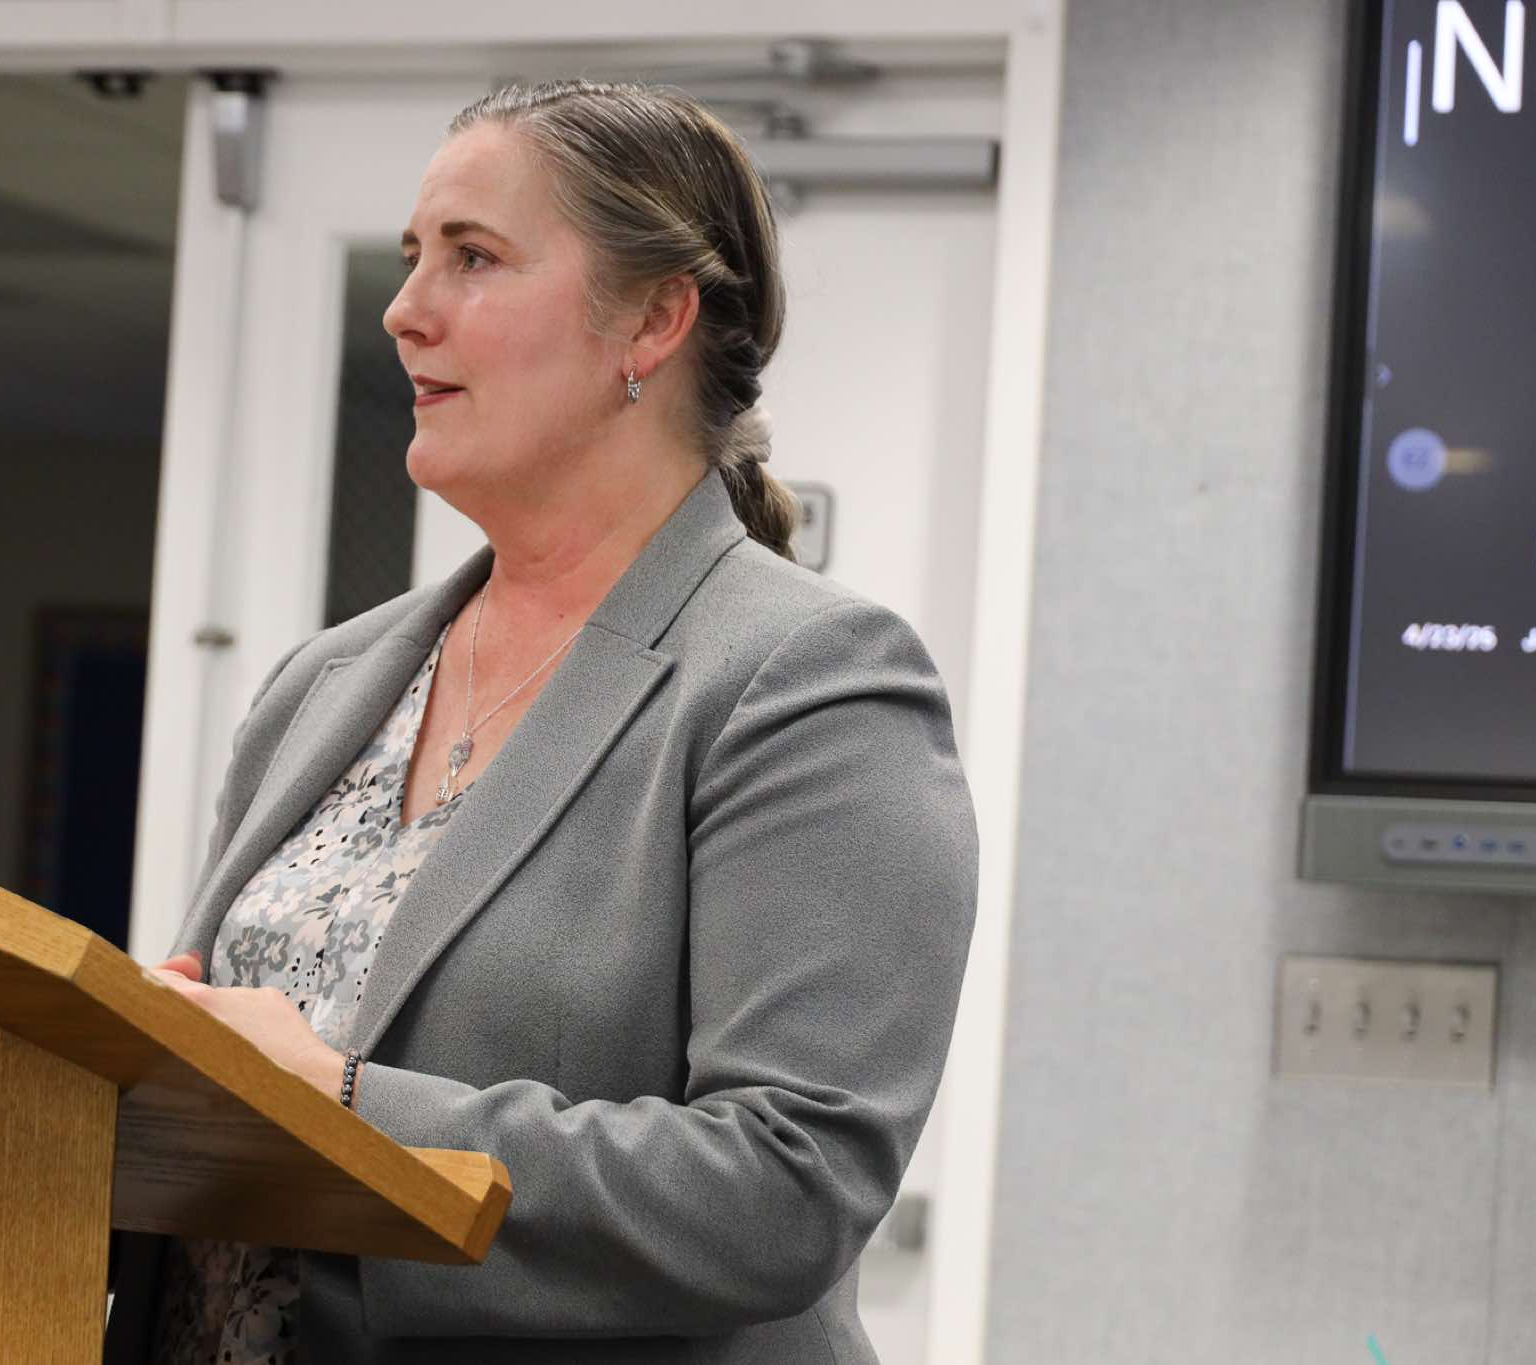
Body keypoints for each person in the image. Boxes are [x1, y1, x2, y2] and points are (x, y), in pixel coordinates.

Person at [139, 78, 978, 1364]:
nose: (404, 308)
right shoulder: (323, 682)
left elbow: (783, 1189)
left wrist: (343, 1104)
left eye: (472, 257)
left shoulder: (807, 680)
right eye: (411, 256)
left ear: (651, 319)